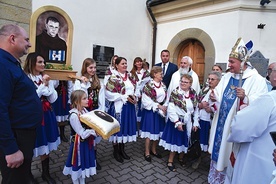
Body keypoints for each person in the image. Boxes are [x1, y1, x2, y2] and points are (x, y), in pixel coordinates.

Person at [207, 38, 268, 184]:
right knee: (219, 153)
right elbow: (219, 95)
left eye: (232, 62)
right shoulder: (228, 76)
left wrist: (246, 98)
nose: (229, 65)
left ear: (243, 63)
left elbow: (261, 105)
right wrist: (213, 96)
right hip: (222, 126)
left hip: (235, 129)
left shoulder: (256, 80)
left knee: (229, 156)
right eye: (229, 61)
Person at [0, 24, 43, 184]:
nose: (29, 44)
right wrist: (10, 149)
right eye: (26, 39)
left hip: (23, 134)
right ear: (12, 38)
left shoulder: (11, 63)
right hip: (16, 137)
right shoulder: (2, 65)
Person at [224, 62, 276, 184]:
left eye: (270, 72)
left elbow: (242, 127)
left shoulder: (270, 99)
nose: (268, 75)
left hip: (256, 157)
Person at [23, 52, 60, 184]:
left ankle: (46, 173)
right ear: (32, 62)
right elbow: (30, 99)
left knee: (46, 143)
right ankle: (28, 175)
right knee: (32, 144)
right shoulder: (26, 78)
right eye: (40, 62)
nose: (43, 64)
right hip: (32, 116)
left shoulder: (45, 77)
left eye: (43, 62)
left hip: (47, 113)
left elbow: (53, 99)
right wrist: (42, 87)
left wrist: (49, 85)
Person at [159, 74, 199, 171]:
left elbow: (196, 109)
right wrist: (177, 122)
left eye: (186, 82)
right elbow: (171, 109)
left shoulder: (193, 93)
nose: (183, 83)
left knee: (185, 140)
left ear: (190, 84)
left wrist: (196, 122)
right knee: (175, 141)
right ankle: (170, 161)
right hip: (176, 121)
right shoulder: (175, 92)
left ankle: (181, 158)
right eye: (181, 81)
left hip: (188, 120)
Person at [72, 58, 105, 170]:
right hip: (84, 114)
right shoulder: (79, 82)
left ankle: (94, 159)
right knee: (84, 138)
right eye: (91, 67)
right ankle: (83, 159)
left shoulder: (98, 83)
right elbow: (78, 98)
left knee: (95, 138)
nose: (93, 70)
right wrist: (83, 83)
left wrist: (100, 114)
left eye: (95, 67)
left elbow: (101, 101)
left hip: (95, 113)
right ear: (85, 68)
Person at [105, 57, 138, 163]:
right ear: (117, 65)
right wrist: (124, 97)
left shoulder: (130, 76)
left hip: (129, 107)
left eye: (126, 63)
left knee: (124, 128)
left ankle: (122, 149)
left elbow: (136, 89)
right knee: (117, 129)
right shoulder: (113, 77)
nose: (125, 65)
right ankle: (116, 151)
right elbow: (108, 94)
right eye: (122, 63)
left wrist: (135, 96)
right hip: (118, 107)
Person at [63, 90, 97, 184]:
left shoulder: (84, 110)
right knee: (76, 163)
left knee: (83, 164)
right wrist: (94, 131)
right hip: (78, 144)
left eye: (87, 98)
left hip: (85, 142)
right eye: (84, 98)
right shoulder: (74, 115)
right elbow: (81, 133)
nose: (88, 100)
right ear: (76, 101)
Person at [192, 71, 221, 170]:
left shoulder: (220, 92)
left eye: (212, 79)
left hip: (212, 121)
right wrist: (200, 105)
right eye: (209, 79)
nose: (210, 81)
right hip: (202, 119)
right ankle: (198, 158)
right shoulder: (205, 89)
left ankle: (212, 163)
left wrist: (212, 110)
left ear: (219, 81)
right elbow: (197, 102)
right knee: (199, 141)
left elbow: (222, 107)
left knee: (211, 141)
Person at [140, 66, 167, 163]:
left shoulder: (163, 85)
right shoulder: (148, 85)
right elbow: (145, 101)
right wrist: (158, 106)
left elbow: (165, 98)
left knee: (158, 132)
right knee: (149, 133)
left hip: (159, 113)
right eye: (160, 74)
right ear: (155, 74)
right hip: (150, 112)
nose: (162, 75)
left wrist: (164, 106)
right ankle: (147, 152)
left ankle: (154, 150)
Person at [130, 57, 150, 123]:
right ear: (135, 63)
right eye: (137, 62)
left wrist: (142, 92)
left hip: (144, 94)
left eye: (140, 61)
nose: (139, 63)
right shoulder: (132, 73)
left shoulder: (146, 73)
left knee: (142, 112)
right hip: (135, 95)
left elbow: (148, 84)